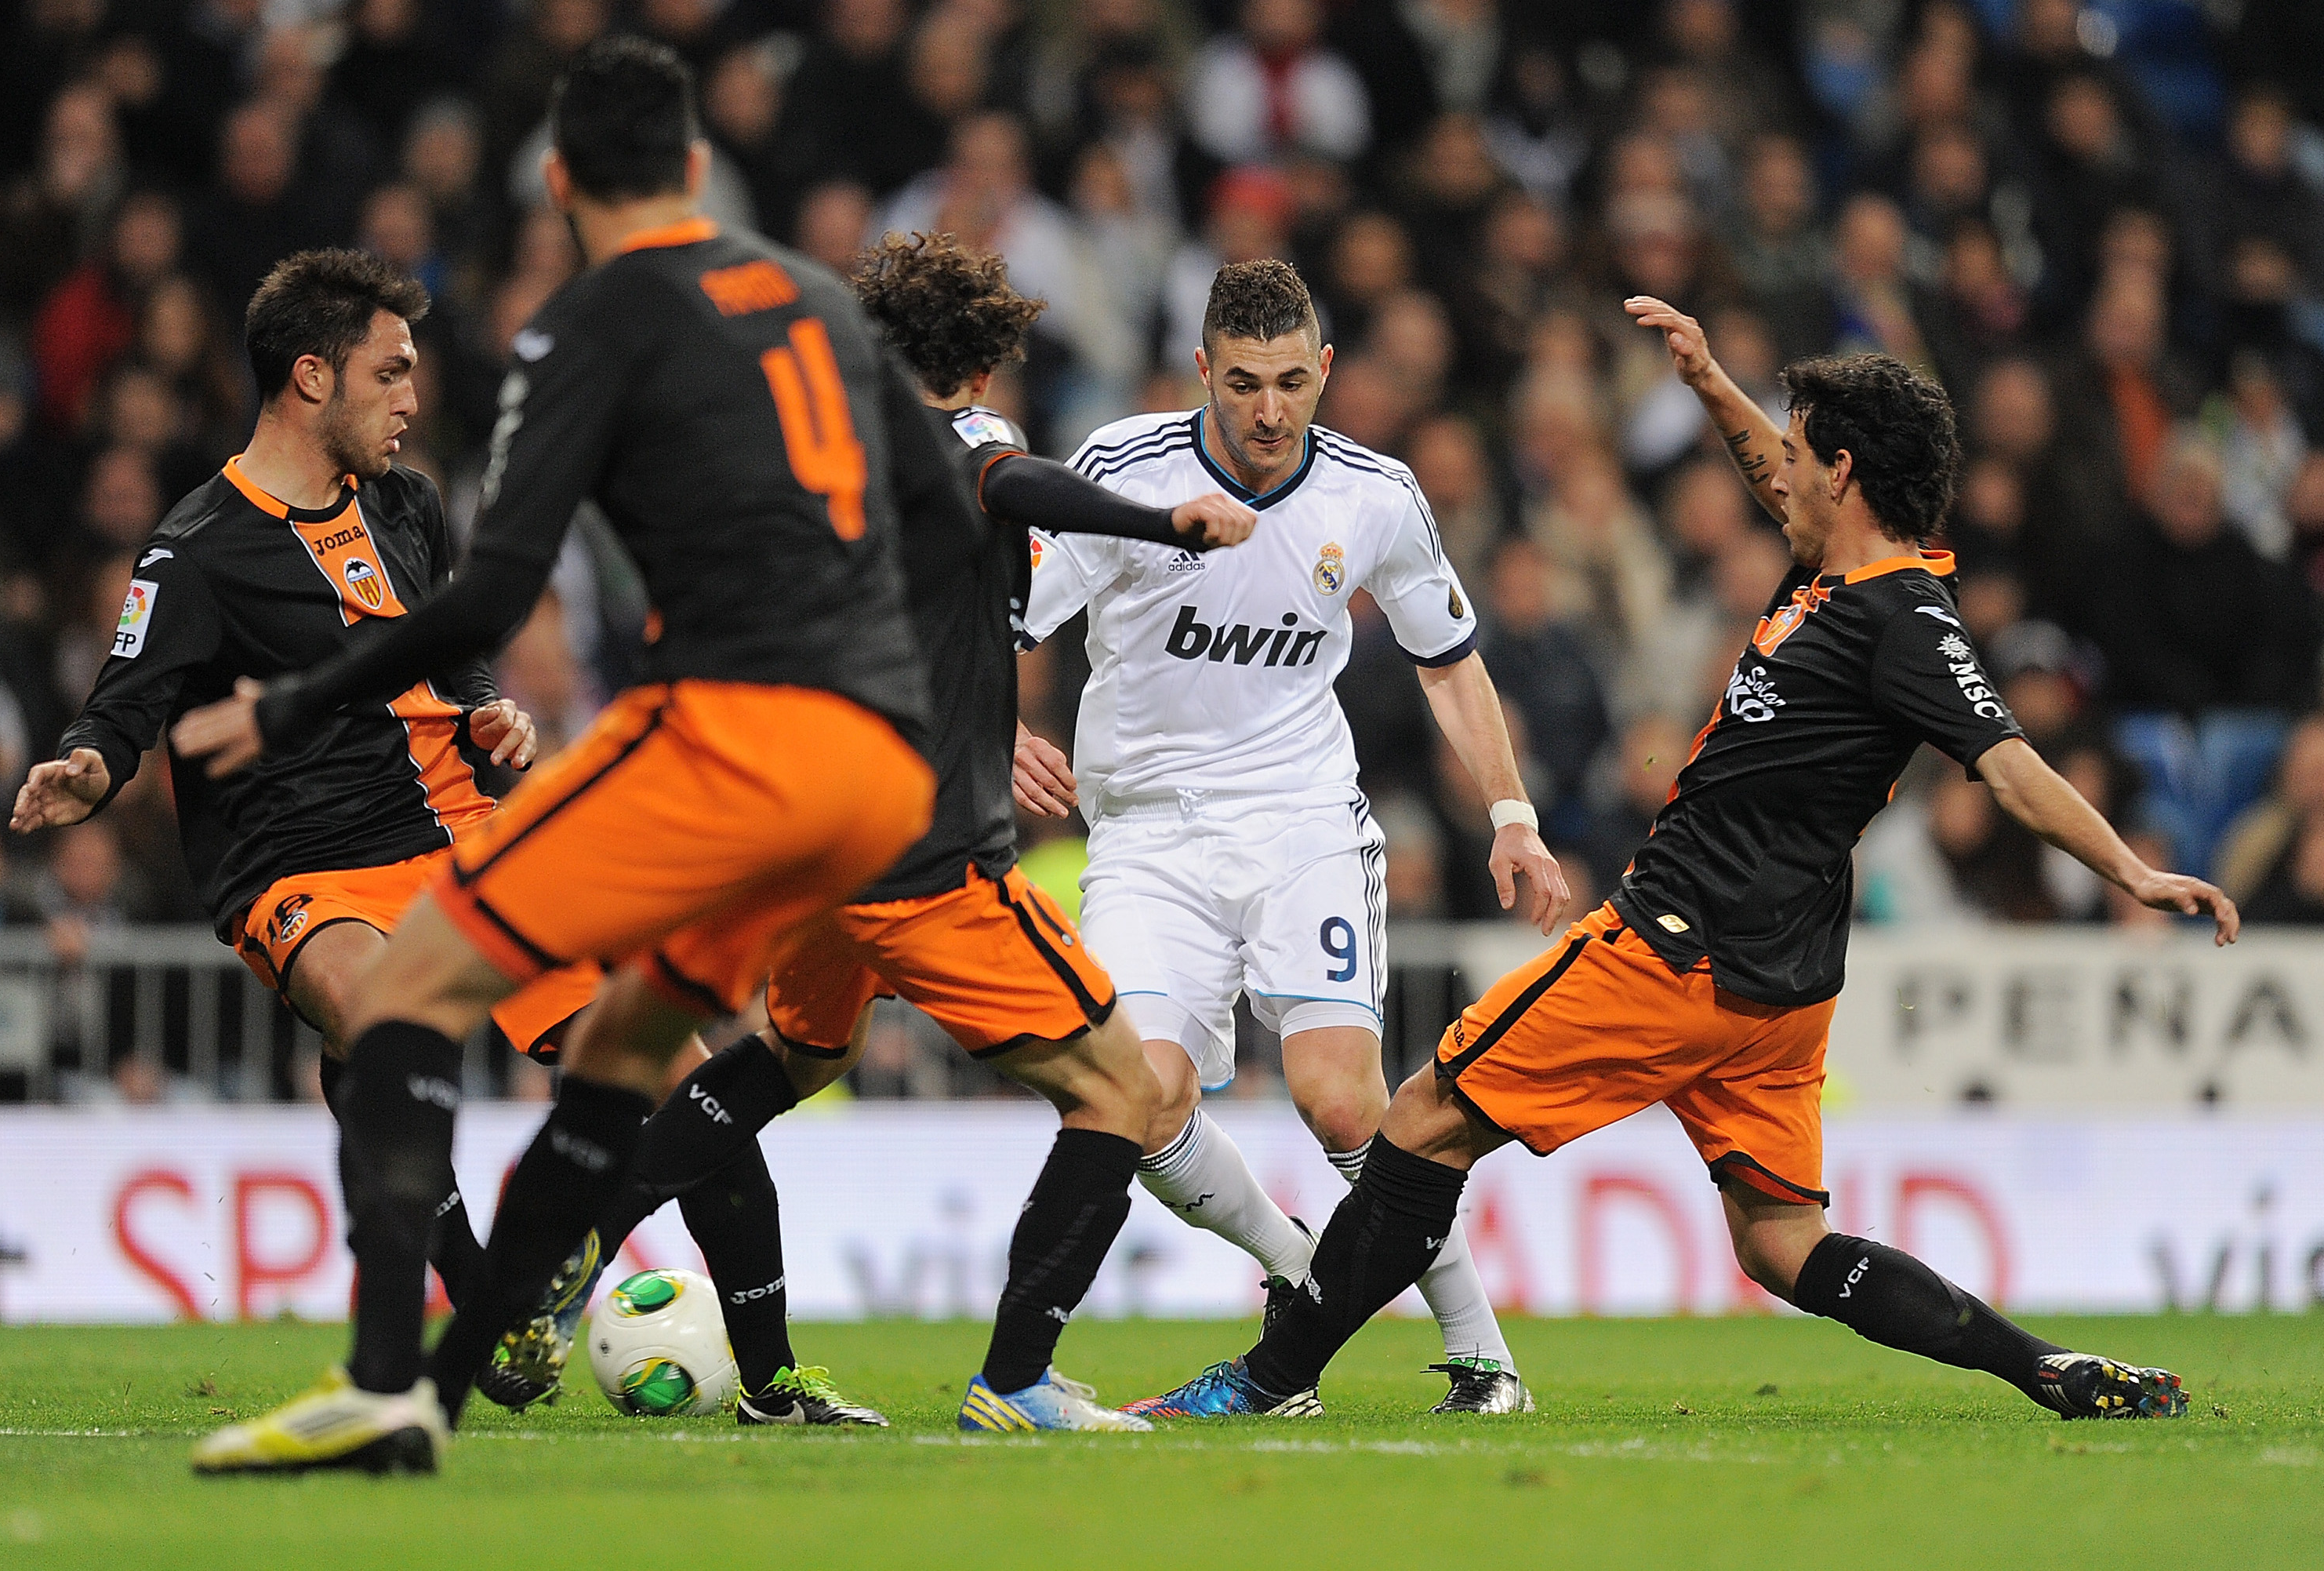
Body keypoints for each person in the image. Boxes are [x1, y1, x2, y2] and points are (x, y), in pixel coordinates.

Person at [1128, 296, 2237, 1422]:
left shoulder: (1899, 619)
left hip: (1675, 945)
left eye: (1801, 455)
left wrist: (2132, 871)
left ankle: (1272, 1380)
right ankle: (2041, 1368)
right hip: (1782, 987)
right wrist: (1709, 381)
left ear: (1843, 473)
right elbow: (1775, 481)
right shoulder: (1844, 573)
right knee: (1782, 1243)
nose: (1781, 471)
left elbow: (2006, 764)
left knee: (1421, 1121)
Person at [180, 38, 943, 1475]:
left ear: (558, 180)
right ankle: (461, 1380)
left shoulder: (584, 324)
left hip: (732, 741)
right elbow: (948, 516)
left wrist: (285, 709)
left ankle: (387, 1381)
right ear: (701, 169)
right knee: (628, 1059)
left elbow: (482, 602)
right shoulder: (813, 302)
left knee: (403, 987)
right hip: (886, 765)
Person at [476, 231, 1259, 1433]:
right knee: (1123, 1094)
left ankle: (578, 1234)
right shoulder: (970, 434)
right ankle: (1016, 1383)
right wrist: (1170, 523)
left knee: (800, 1058)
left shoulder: (829, 462)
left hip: (818, 847)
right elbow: (1012, 481)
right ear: (983, 361)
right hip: (929, 864)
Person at [1016, 259, 1568, 1416]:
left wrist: (1511, 816)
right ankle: (1302, 1271)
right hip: (1149, 837)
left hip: (1302, 818)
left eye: (1290, 383)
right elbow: (1004, 610)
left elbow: (1450, 660)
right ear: (1202, 374)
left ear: (1326, 373)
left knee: (1342, 1102)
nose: (1269, 412)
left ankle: (1484, 1356)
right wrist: (996, 732)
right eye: (1243, 384)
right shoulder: (1121, 470)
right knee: (1139, 1098)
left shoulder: (1375, 495)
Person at [10, 248, 600, 1320]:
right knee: (388, 1024)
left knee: (634, 1053)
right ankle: (482, 1299)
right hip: (304, 867)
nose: (414, 400)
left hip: (454, 831)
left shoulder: (408, 505)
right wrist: (88, 764)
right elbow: (124, 703)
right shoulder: (193, 553)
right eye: (392, 372)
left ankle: (746, 1359)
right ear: (313, 379)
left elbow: (449, 637)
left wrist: (484, 705)